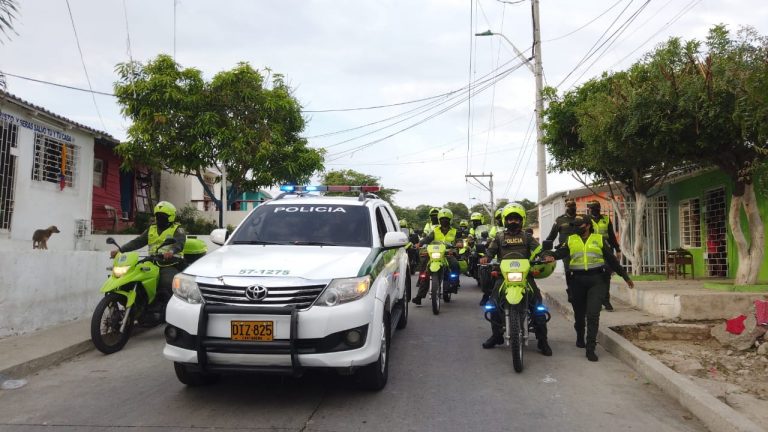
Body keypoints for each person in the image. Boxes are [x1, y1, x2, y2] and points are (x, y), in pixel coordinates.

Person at [545, 214, 634, 361]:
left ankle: (590, 347)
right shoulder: (571, 240)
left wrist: (625, 276)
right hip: (577, 281)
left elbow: (612, 260)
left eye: (578, 225)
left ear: (587, 225)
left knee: (593, 314)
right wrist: (551, 256)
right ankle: (580, 336)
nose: (575, 228)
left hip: (597, 280)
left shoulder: (598, 239)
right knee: (579, 316)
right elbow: (560, 253)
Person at [480, 202, 552, 356]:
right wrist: (486, 257)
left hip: (525, 277)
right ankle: (496, 335)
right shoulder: (499, 237)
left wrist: (545, 256)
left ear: (522, 220)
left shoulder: (527, 237)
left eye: (517, 219)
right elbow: (490, 252)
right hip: (503, 277)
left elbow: (539, 250)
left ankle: (542, 341)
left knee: (538, 306)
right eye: (510, 219)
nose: (513, 221)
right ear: (505, 220)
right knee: (492, 304)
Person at [109, 201, 186, 319]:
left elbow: (180, 243)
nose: (159, 219)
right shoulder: (151, 229)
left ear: (170, 217)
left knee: (165, 282)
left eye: (162, 217)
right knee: (132, 275)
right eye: (157, 216)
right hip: (152, 260)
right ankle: (140, 304)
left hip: (170, 262)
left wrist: (171, 252)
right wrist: (120, 250)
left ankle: (168, 311)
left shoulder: (177, 229)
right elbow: (137, 242)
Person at [412, 208, 460, 305]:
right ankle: (419, 296)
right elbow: (427, 239)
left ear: (450, 220)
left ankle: (454, 284)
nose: (444, 221)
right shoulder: (435, 231)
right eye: (442, 219)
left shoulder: (455, 231)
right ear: (439, 220)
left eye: (446, 219)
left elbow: (459, 241)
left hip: (448, 254)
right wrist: (419, 244)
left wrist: (459, 244)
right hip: (435, 253)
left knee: (455, 264)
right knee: (425, 268)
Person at [543, 197, 581, 302]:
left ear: (575, 207)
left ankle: (580, 291)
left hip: (580, 249)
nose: (571, 208)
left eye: (573, 206)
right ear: (566, 207)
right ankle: (571, 290)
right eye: (569, 206)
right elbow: (552, 236)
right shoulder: (560, 220)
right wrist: (545, 249)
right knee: (569, 270)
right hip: (565, 250)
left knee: (580, 270)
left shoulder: (580, 219)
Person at [587, 200, 621, 311]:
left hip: (606, 250)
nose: (594, 210)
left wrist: (617, 249)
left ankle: (606, 300)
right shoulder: (586, 220)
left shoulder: (605, 219)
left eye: (596, 208)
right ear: (590, 209)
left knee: (606, 275)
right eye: (592, 208)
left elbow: (611, 235)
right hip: (591, 251)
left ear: (599, 208)